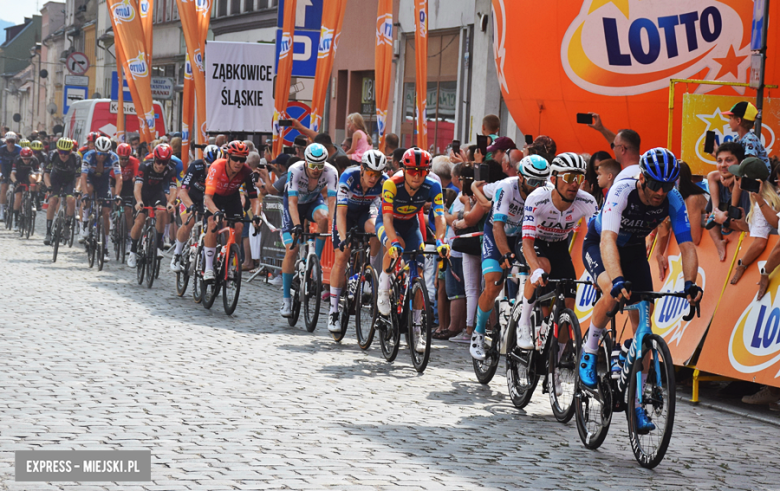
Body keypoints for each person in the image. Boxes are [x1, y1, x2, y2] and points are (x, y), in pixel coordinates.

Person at [580, 148, 702, 433]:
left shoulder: (673, 198)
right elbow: (608, 240)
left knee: (645, 324)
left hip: (634, 249)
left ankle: (635, 406)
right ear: (643, 178)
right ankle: (589, 353)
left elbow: (687, 245)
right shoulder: (622, 190)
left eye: (667, 186)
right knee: (612, 290)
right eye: (655, 185)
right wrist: (618, 278)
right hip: (600, 243)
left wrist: (690, 283)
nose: (661, 192)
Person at [515, 153, 598, 381]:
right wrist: (536, 269)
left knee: (569, 303)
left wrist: (599, 272)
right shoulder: (537, 198)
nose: (574, 183)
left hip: (560, 246)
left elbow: (596, 241)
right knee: (542, 266)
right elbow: (527, 242)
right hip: (534, 244)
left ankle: (554, 367)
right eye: (569, 177)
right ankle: (523, 323)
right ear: (553, 178)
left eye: (579, 178)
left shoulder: (587, 202)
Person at [469, 154, 551, 360]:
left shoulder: (546, 190)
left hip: (523, 234)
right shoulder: (507, 187)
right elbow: (497, 226)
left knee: (538, 267)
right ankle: (478, 332)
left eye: (541, 183)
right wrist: (505, 253)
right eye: (532, 182)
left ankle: (525, 319)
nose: (537, 187)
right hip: (499, 231)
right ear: (520, 177)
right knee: (493, 282)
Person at [376, 147, 450, 354]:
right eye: (412, 171)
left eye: (421, 171)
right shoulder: (391, 184)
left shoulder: (433, 185)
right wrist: (393, 241)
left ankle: (416, 331)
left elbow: (439, 216)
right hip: (389, 224)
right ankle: (383, 291)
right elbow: (388, 219)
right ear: (403, 169)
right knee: (393, 246)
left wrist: (441, 240)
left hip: (411, 225)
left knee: (417, 274)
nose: (417, 175)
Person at [327, 149, 388, 332]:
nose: (373, 178)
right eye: (370, 173)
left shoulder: (384, 182)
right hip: (346, 214)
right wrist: (344, 239)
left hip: (365, 213)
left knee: (377, 230)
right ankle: (333, 311)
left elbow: (383, 214)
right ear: (362, 169)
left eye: (377, 174)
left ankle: (369, 271)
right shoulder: (348, 177)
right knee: (342, 255)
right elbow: (341, 213)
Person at [279, 143, 338, 317]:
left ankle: (315, 263)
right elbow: (292, 202)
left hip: (313, 202)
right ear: (305, 161)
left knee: (324, 218)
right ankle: (286, 301)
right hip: (294, 205)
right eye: (312, 165)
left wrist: (335, 226)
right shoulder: (295, 170)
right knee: (292, 249)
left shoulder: (331, 171)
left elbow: (333, 202)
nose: (316, 169)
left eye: (320, 166)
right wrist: (297, 225)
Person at [200, 141, 262, 282]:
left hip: (231, 198)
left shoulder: (247, 171)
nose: (238, 162)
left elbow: (254, 198)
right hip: (214, 197)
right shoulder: (217, 167)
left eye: (242, 159)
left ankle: (229, 263)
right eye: (235, 158)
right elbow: (207, 197)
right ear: (227, 157)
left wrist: (256, 215)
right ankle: (209, 268)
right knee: (212, 223)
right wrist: (215, 212)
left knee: (238, 226)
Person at [724, 157, 779, 285]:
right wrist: (744, 225)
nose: (735, 180)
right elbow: (765, 229)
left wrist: (741, 264)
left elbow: (760, 243)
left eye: (737, 177)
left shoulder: (762, 203)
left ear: (747, 181)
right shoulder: (769, 195)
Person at [170, 144, 223, 272]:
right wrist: (190, 205)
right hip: (191, 197)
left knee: (213, 225)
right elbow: (182, 191)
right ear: (204, 162)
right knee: (189, 222)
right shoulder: (196, 166)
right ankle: (177, 254)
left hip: (207, 199)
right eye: (210, 165)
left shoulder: (222, 168)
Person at [126, 144, 177, 267]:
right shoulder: (145, 166)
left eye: (164, 162)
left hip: (156, 193)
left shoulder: (171, 169)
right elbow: (138, 186)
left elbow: (173, 189)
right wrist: (139, 201)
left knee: (161, 212)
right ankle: (132, 251)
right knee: (140, 220)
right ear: (154, 159)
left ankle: (158, 244)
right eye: (158, 161)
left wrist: (170, 202)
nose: (160, 166)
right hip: (142, 193)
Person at [705, 142, 750, 261]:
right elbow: (710, 220)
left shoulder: (748, 189)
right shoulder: (719, 184)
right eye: (719, 161)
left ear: (740, 162)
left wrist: (725, 221)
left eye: (729, 160)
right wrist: (718, 242)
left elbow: (750, 229)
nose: (723, 165)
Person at [79, 136, 122, 253]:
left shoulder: (113, 157)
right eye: (99, 153)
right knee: (89, 190)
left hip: (104, 183)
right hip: (90, 180)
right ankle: (85, 221)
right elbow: (83, 176)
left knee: (106, 213)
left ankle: (105, 246)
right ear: (95, 150)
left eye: (105, 154)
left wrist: (117, 194)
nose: (102, 156)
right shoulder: (88, 156)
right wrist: (85, 194)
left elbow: (119, 178)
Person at [43, 138, 81, 245]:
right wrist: (49, 186)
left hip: (70, 180)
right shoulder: (52, 155)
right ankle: (48, 232)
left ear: (71, 151)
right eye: (61, 152)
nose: (63, 155)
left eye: (66, 152)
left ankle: (67, 225)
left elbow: (79, 178)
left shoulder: (76, 158)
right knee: (52, 201)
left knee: (71, 199)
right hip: (55, 179)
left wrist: (77, 189)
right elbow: (46, 173)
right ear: (57, 150)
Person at [722, 101, 770, 171]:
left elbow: (751, 164)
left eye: (730, 118)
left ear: (738, 120)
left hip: (757, 176)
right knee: (713, 176)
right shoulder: (736, 139)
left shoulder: (750, 139)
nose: (728, 121)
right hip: (743, 172)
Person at [115, 143, 140, 250]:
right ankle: (113, 219)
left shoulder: (134, 161)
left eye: (126, 159)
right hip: (115, 182)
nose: (124, 161)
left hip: (128, 185)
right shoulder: (114, 161)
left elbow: (137, 177)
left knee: (128, 210)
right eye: (122, 158)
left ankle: (130, 236)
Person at [10, 148, 42, 230]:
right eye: (24, 158)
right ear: (21, 157)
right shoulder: (17, 159)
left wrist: (38, 182)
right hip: (19, 176)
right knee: (18, 196)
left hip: (29, 175)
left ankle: (32, 199)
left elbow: (38, 174)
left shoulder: (34, 160)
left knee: (33, 178)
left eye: (28, 159)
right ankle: (16, 221)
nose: (26, 160)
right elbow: (12, 174)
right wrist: (15, 181)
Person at [0, 131, 21, 221]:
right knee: (4, 187)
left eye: (13, 141)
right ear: (6, 141)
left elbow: (21, 162)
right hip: (4, 167)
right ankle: (1, 211)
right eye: (9, 141)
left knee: (17, 188)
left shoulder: (19, 149)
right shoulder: (2, 149)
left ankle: (16, 208)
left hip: (15, 168)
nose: (11, 144)